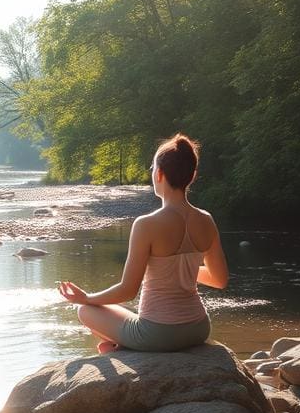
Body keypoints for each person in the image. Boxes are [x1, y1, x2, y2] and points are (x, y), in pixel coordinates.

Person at [57, 133, 228, 354]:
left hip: (159, 334)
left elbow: (128, 290)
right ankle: (117, 349)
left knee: (85, 311)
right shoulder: (206, 219)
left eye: (151, 169)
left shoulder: (147, 224)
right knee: (120, 313)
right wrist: (181, 267)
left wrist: (87, 298)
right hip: (199, 328)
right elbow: (219, 279)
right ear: (192, 176)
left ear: (158, 174)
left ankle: (119, 350)